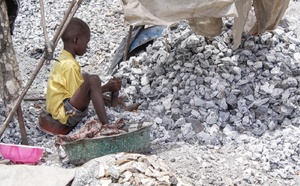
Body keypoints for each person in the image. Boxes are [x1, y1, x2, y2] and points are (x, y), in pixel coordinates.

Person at [46, 17, 122, 128]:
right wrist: (106, 87)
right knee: (93, 80)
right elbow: (80, 97)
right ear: (76, 40)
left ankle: (111, 103)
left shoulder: (63, 58)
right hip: (64, 115)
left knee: (85, 76)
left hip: (57, 108)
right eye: (86, 43)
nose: (87, 47)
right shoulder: (70, 65)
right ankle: (107, 125)